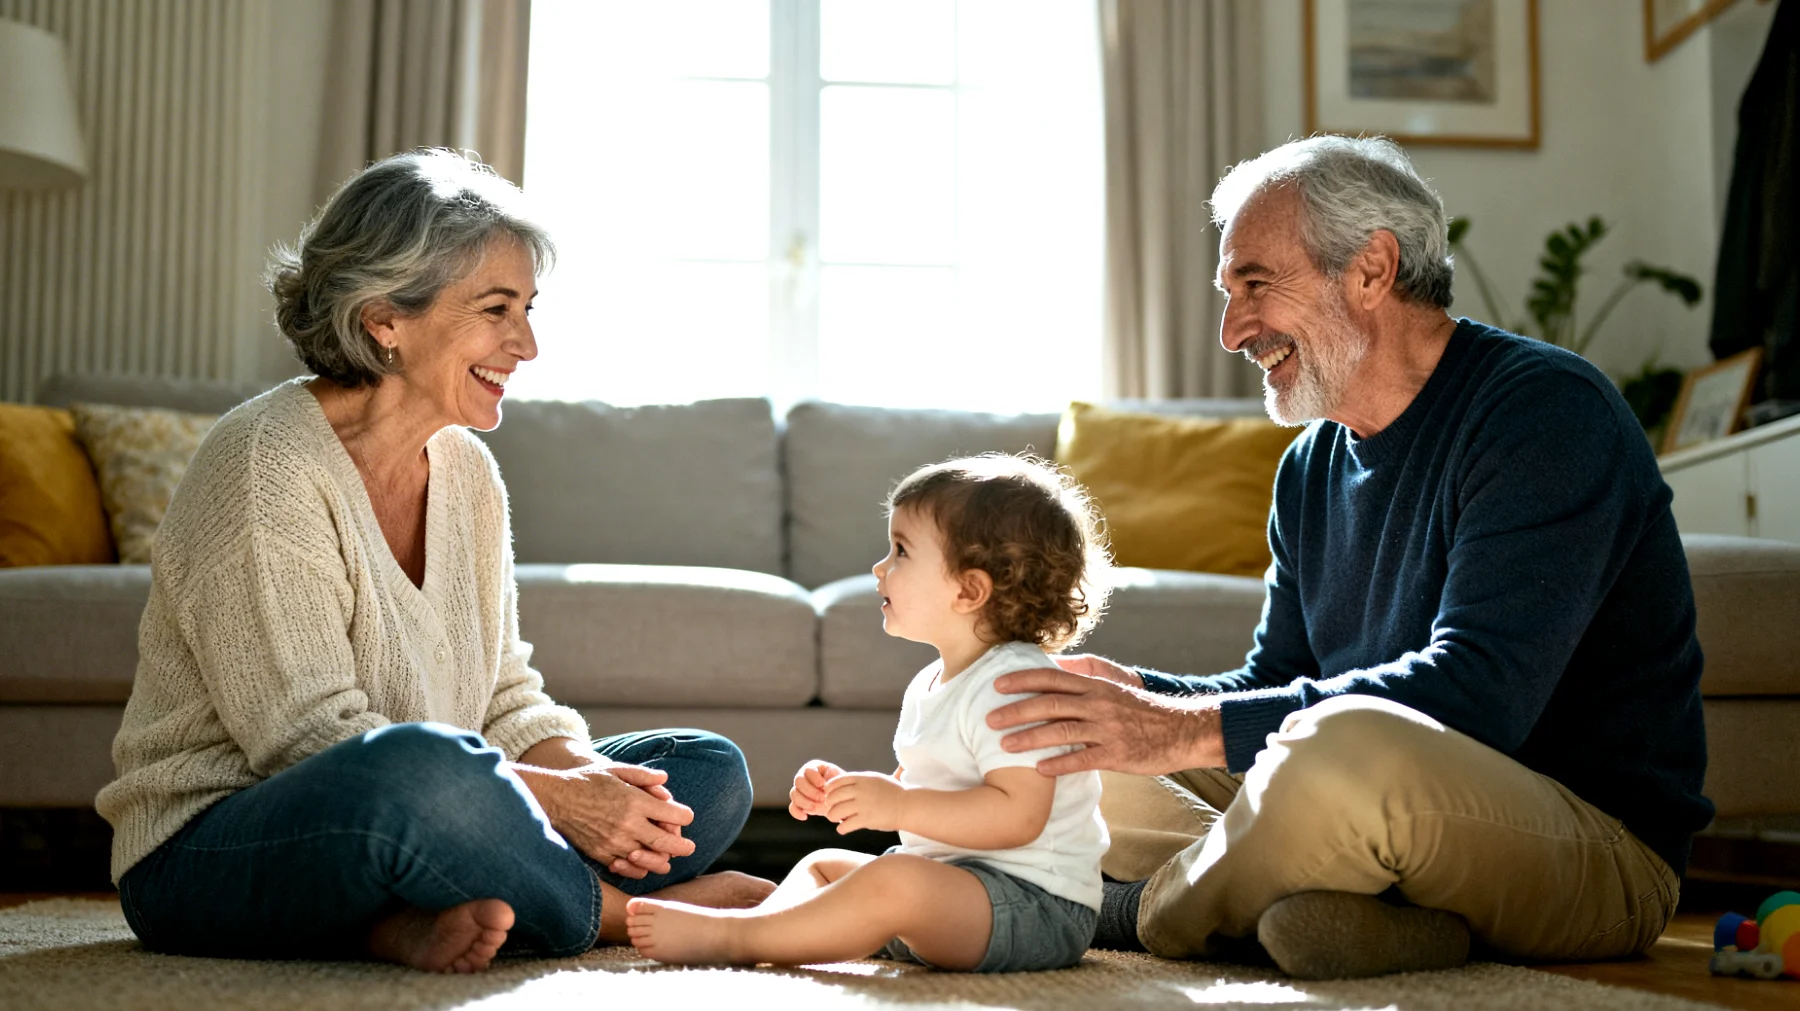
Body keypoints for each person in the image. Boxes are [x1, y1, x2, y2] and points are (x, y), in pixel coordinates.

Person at [983, 136, 1713, 979]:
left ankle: (1131, 912)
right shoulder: (1308, 468)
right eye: (1228, 293)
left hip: (1595, 850)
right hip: (1379, 813)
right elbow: (1279, 674)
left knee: (1335, 750)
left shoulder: (1546, 412)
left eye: (1255, 285)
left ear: (1371, 270)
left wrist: (1174, 728)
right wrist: (1137, 699)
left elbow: (1477, 697)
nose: (1231, 331)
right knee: (1064, 749)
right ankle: (1359, 923)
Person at [95, 149, 772, 974]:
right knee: (427, 773)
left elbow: (504, 694)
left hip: (437, 805)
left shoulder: (465, 468)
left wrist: (591, 783)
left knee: (704, 770)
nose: (525, 343)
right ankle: (632, 916)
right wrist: (554, 801)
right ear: (385, 319)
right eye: (497, 309)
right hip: (213, 848)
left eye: (527, 308)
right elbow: (309, 742)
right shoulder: (261, 464)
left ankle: (406, 920)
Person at [626, 455, 1111, 971]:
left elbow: (1019, 816)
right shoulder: (933, 681)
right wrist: (854, 792)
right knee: (823, 864)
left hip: (1035, 909)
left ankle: (740, 940)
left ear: (969, 590)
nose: (880, 568)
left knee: (893, 881)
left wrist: (899, 805)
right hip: (955, 892)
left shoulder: (1013, 685)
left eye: (900, 551)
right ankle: (776, 927)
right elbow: (929, 782)